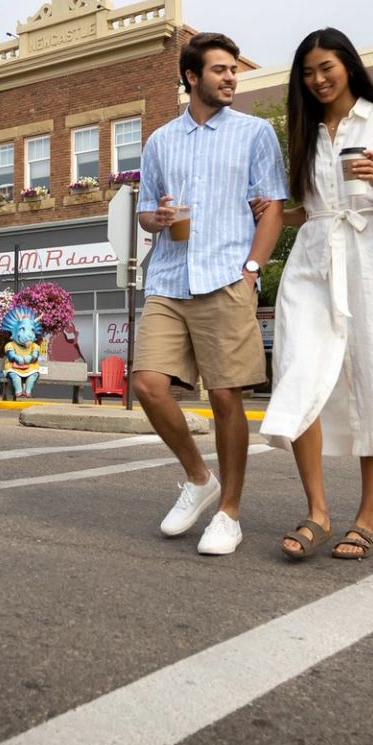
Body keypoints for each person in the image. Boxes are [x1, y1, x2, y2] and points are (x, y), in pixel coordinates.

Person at [256, 28, 373, 562]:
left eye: (326, 67)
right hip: (312, 260)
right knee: (298, 373)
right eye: (307, 73)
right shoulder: (304, 130)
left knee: (371, 377)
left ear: (348, 65)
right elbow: (308, 208)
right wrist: (267, 214)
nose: (318, 80)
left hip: (370, 257)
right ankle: (318, 512)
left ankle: (367, 518)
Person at [133, 32, 289, 556]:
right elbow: (148, 212)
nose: (230, 78)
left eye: (234, 70)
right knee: (148, 385)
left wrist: (250, 271)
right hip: (169, 279)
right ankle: (200, 479)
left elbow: (271, 209)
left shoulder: (255, 133)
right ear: (192, 77)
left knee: (226, 397)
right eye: (219, 70)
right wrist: (151, 218)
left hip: (225, 276)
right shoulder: (159, 141)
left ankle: (230, 513)